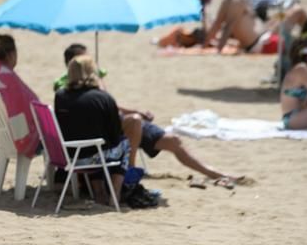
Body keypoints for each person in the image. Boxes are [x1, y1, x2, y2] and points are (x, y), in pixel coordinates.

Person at [56, 53, 241, 194]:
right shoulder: (98, 97)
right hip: (106, 142)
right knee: (134, 131)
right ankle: (127, 178)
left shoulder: (62, 96)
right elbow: (112, 133)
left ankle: (214, 173)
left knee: (170, 139)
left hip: (79, 149)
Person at [206, 0, 307, 54]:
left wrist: (204, 44)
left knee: (282, 14)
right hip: (263, 43)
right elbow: (229, 25)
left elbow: (217, 24)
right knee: (298, 10)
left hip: (264, 35)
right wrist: (219, 49)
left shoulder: (227, 1)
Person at [0, 34, 41, 158]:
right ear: (10, 55)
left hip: (1, 138)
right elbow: (31, 107)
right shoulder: (9, 79)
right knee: (52, 136)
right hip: (19, 140)